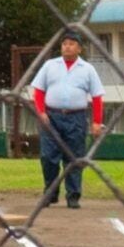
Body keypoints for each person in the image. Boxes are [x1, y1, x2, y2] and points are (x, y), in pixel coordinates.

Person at [26, 33, 105, 210]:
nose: (67, 47)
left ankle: (73, 195)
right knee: (48, 156)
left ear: (79, 49)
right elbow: (38, 91)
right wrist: (41, 112)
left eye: (71, 44)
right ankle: (51, 193)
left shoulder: (87, 69)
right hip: (51, 117)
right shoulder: (50, 65)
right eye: (64, 44)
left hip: (76, 117)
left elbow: (97, 96)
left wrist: (96, 121)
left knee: (74, 157)